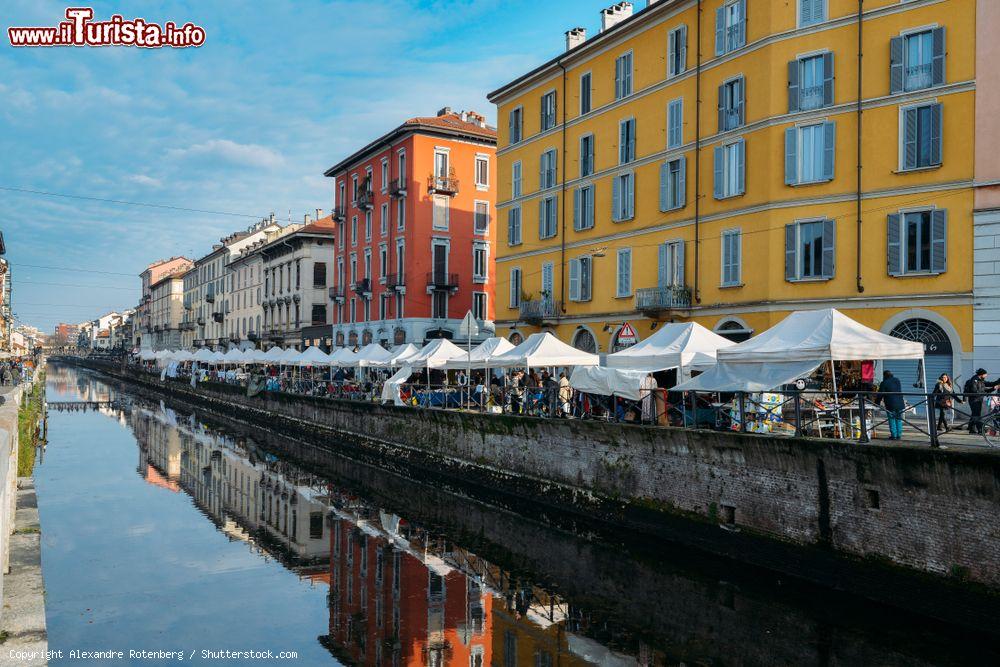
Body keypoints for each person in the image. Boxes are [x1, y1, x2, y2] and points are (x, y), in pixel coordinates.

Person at [963, 368, 998, 434]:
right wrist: (985, 392)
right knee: (977, 415)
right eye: (985, 374)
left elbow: (989, 385)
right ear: (982, 374)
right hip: (974, 400)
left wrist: (994, 387)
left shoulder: (981, 381)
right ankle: (981, 430)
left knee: (974, 414)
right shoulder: (974, 380)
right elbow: (975, 391)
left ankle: (971, 429)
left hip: (978, 400)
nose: (986, 375)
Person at [875, 370, 905, 440]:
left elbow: (880, 394)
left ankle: (894, 435)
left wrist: (876, 403)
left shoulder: (884, 383)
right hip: (900, 403)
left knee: (892, 419)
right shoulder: (897, 380)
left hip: (890, 404)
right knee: (898, 419)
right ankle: (899, 435)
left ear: (884, 376)